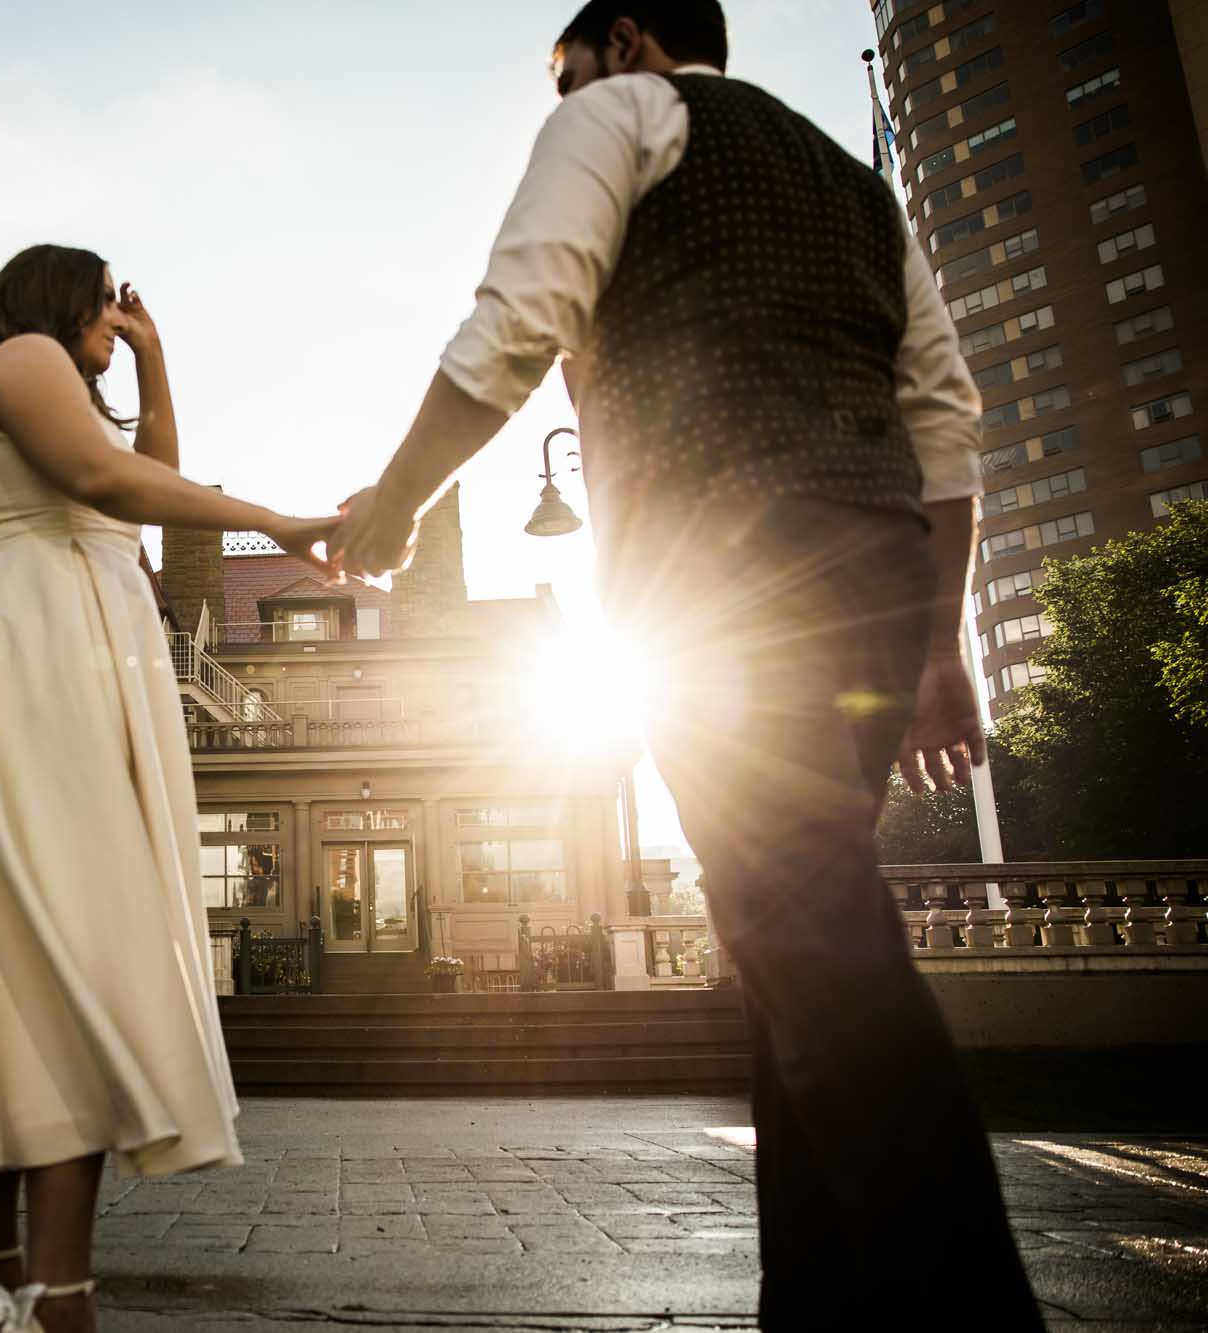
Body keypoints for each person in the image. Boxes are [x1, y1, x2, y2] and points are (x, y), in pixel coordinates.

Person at [328, 3, 1042, 1327]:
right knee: (798, 934)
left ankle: (969, 1309)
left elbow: (519, 315)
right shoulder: (852, 177)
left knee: (809, 936)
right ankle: (815, 1298)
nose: (560, 95)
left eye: (566, 68)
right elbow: (945, 418)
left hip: (722, 566)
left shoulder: (621, 118)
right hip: (878, 571)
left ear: (633, 41)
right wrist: (941, 643)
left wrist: (399, 500)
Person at [0, 242, 338, 1333]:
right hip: (43, 647)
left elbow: (146, 491)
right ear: (65, 299)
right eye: (108, 306)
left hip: (73, 641)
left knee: (40, 948)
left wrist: (152, 362)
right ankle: (52, 1297)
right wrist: (279, 520)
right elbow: (107, 483)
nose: (117, 319)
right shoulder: (22, 359)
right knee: (67, 943)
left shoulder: (48, 373)